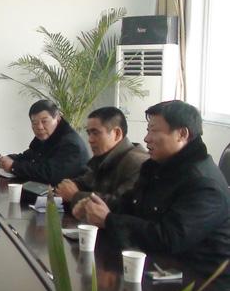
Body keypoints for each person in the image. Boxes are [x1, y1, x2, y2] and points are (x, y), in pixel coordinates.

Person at [75, 100, 230, 274]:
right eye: (148, 130)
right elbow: (131, 204)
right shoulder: (157, 167)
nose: (146, 138)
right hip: (159, 265)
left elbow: (169, 238)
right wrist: (94, 205)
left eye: (154, 131)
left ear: (182, 134)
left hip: (199, 278)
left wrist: (108, 220)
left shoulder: (204, 184)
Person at [55, 107, 148, 214]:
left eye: (96, 133)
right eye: (89, 133)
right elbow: (84, 182)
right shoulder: (103, 158)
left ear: (117, 134)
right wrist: (68, 186)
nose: (90, 140)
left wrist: (75, 196)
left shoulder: (138, 163)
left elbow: (122, 204)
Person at [0, 99, 88, 185]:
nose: (39, 127)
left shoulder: (71, 144)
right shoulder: (47, 136)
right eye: (34, 123)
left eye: (44, 121)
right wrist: (7, 159)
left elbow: (49, 175)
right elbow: (30, 158)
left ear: (57, 118)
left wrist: (13, 166)